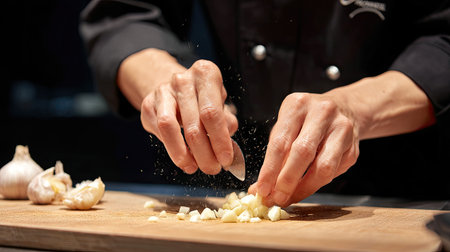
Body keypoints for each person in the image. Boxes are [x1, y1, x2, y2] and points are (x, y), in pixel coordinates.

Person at [80, 0, 450, 206]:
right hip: (238, 173)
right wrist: (165, 83)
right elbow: (121, 13)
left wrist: (356, 108)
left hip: (403, 191)